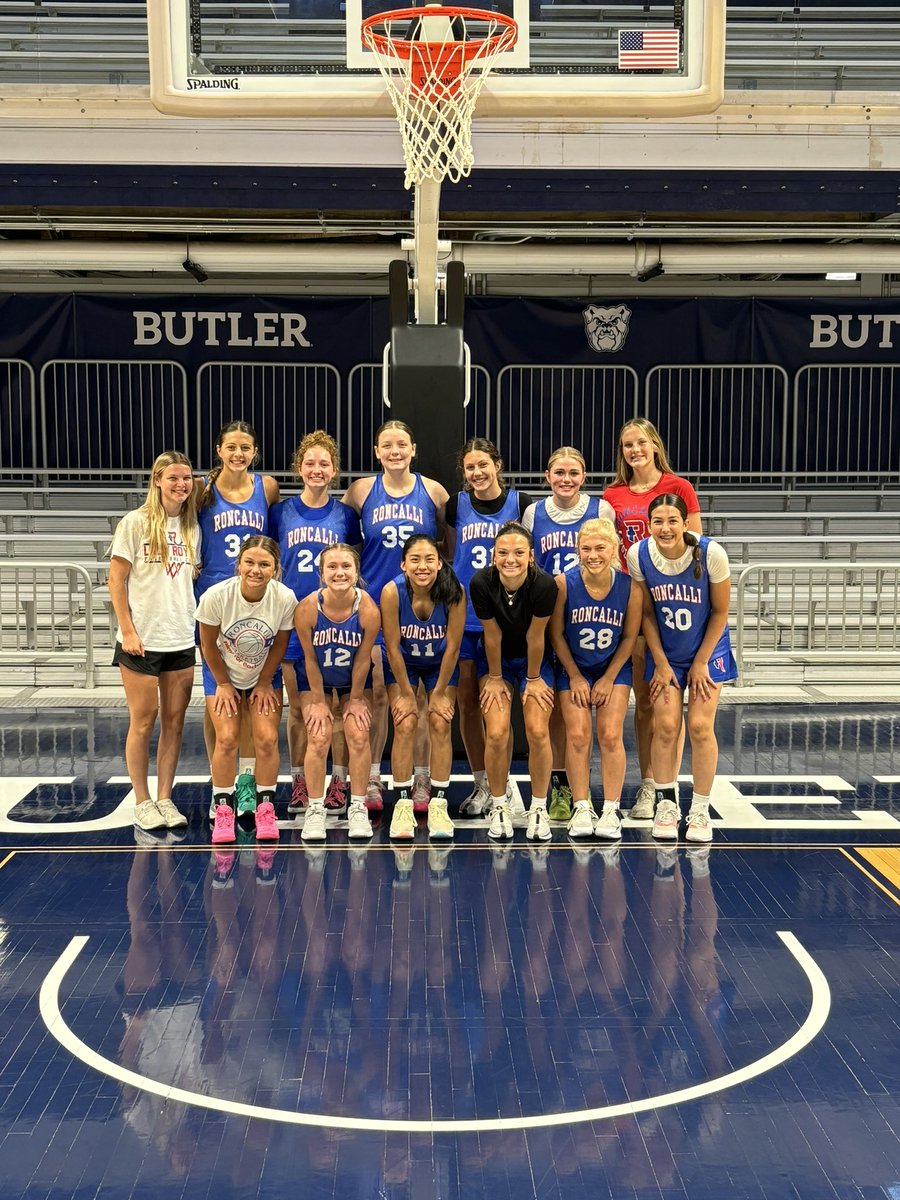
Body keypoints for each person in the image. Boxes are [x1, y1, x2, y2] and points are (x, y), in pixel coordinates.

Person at [342, 419, 449, 811]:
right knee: (379, 696)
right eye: (387, 445)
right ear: (377, 451)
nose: (394, 451)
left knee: (419, 697)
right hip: (373, 606)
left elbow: (444, 546)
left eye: (401, 444)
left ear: (413, 449)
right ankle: (371, 777)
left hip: (419, 604)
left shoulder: (433, 492)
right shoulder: (360, 492)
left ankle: (421, 777)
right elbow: (350, 546)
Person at [603, 419, 702, 821]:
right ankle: (648, 784)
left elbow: (695, 546)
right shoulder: (612, 494)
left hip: (672, 599)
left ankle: (666, 785)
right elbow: (608, 547)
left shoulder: (679, 487)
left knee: (669, 700)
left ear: (655, 445)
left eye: (640, 442)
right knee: (643, 700)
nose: (634, 450)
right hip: (633, 600)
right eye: (627, 444)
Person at [627, 493, 736, 843]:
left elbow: (720, 612)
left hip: (707, 648)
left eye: (672, 520)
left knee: (701, 727)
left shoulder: (711, 553)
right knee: (666, 725)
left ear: (686, 523)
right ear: (649, 524)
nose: (665, 528)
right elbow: (645, 614)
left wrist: (702, 661)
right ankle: (666, 804)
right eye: (658, 521)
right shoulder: (638, 554)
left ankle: (700, 809)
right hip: (667, 652)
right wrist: (659, 661)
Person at [522, 445, 616, 824]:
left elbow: (611, 556)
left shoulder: (601, 510)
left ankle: (585, 791)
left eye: (573, 472)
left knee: (591, 722)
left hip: (591, 616)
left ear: (584, 476)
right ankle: (562, 788)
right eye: (558, 472)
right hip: (551, 617)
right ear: (548, 477)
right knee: (561, 716)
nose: (565, 479)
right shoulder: (534, 512)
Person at [269, 431, 361, 816]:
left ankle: (338, 782)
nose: (317, 469)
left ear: (334, 471)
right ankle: (302, 783)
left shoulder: (345, 515)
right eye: (310, 463)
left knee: (339, 709)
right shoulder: (280, 513)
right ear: (299, 468)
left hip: (340, 617)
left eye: (325, 463)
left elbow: (352, 561)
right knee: (299, 709)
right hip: (295, 619)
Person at [108, 450, 201, 833]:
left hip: (180, 636)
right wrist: (127, 629)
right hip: (141, 640)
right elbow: (116, 580)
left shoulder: (193, 526)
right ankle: (142, 801)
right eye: (174, 477)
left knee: (176, 723)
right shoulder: (136, 522)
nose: (181, 484)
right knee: (143, 722)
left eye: (187, 478)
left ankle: (164, 797)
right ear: (157, 480)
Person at [195, 420, 281, 818]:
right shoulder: (202, 489)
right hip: (215, 597)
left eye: (246, 448)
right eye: (232, 447)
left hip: (258, 597)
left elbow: (271, 541)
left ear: (255, 453)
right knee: (220, 700)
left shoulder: (267, 487)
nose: (238, 454)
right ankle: (222, 786)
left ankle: (246, 781)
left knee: (254, 704)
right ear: (219, 449)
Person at [444, 438, 534, 818]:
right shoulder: (455, 504)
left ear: (497, 464)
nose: (477, 473)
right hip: (467, 616)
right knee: (468, 703)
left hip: (509, 616)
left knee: (502, 705)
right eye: (470, 468)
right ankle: (482, 782)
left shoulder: (521, 503)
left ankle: (506, 782)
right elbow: (450, 554)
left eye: (483, 464)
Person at [195, 535, 297, 846]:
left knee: (266, 738)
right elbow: (207, 644)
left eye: (264, 564)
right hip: (222, 671)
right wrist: (224, 684)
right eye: (249, 562)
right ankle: (224, 808)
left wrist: (265, 681)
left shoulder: (284, 598)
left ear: (275, 569)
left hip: (263, 673)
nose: (256, 569)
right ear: (239, 565)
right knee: (226, 738)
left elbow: (280, 643)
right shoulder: (216, 596)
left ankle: (265, 808)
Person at [548, 518, 642, 841]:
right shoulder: (563, 584)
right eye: (586, 548)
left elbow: (629, 638)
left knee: (610, 733)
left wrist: (608, 678)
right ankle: (581, 805)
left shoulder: (630, 588)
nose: (593, 555)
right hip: (573, 667)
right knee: (577, 735)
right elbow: (556, 634)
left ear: (614, 549)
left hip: (612, 669)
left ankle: (612, 808)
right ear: (578, 550)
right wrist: (574, 675)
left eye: (600, 547)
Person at [469, 522, 558, 842]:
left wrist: (533, 680)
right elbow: (491, 635)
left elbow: (537, 637)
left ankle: (538, 807)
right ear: (493, 556)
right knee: (496, 732)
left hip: (535, 660)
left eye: (519, 552)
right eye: (503, 552)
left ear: (531, 556)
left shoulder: (544, 585)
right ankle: (498, 804)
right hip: (497, 661)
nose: (511, 559)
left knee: (536, 729)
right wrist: (494, 677)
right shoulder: (480, 582)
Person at [293, 543, 381, 843]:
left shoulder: (368, 608)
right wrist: (318, 699)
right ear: (321, 573)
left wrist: (355, 697)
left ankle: (357, 806)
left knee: (358, 733)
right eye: (332, 567)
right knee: (319, 735)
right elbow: (308, 658)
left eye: (346, 566)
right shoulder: (307, 608)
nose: (339, 572)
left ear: (357, 573)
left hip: (352, 679)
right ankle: (315, 809)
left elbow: (363, 658)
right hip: (315, 677)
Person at [380, 535, 466, 841]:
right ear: (404, 564)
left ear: (439, 562)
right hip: (404, 663)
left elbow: (454, 647)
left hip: (439, 664)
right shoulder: (391, 592)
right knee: (405, 723)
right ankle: (403, 803)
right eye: (415, 559)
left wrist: (439, 692)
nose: (422, 565)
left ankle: (439, 803)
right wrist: (406, 694)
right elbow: (391, 648)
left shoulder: (454, 591)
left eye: (429, 558)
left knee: (440, 722)